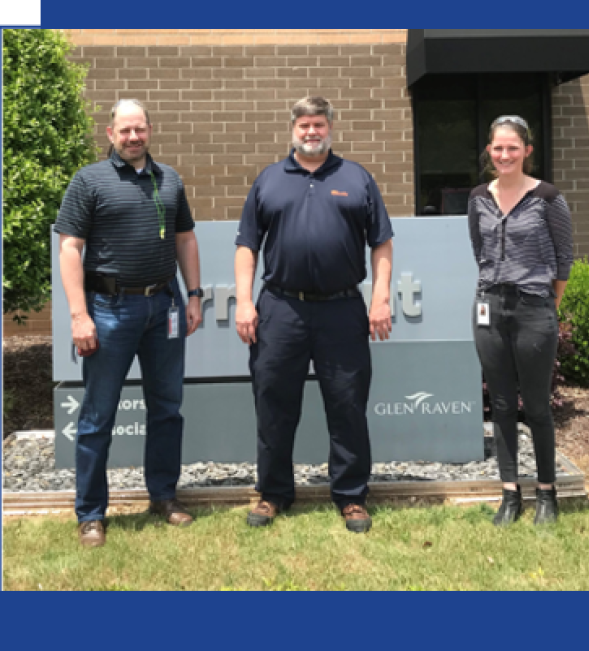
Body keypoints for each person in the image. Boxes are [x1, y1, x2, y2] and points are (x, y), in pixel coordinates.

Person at [233, 97, 394, 533]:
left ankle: (350, 495)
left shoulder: (356, 178)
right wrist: (244, 302)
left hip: (342, 309)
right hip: (280, 308)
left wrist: (380, 298)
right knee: (274, 405)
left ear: (330, 128)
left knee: (347, 405)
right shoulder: (269, 180)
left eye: (318, 124)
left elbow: (381, 243)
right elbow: (247, 245)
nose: (311, 132)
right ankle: (273, 493)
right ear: (293, 129)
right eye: (304, 125)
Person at [55, 99, 203, 548]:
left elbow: (185, 238)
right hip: (108, 310)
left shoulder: (169, 179)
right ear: (110, 133)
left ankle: (164, 496)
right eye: (125, 131)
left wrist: (194, 296)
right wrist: (79, 315)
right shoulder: (89, 180)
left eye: (140, 129)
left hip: (164, 307)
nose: (133, 138)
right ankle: (91, 514)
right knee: (98, 414)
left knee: (167, 408)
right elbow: (69, 248)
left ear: (150, 130)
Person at [468, 115, 574, 526]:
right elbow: (479, 252)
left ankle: (547, 494)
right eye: (498, 148)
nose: (505, 155)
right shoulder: (478, 197)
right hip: (489, 309)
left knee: (536, 406)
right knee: (501, 404)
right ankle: (510, 494)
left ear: (527, 151)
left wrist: (549, 302)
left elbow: (564, 258)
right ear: (489, 152)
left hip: (534, 308)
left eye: (513, 147)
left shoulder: (548, 197)